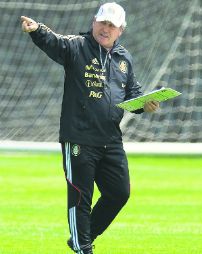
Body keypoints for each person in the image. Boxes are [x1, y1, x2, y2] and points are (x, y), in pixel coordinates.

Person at [20, 2, 160, 253]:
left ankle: (82, 236)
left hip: (111, 140)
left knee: (119, 193)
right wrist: (36, 30)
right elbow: (55, 42)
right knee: (80, 197)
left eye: (111, 25)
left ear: (120, 31)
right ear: (94, 22)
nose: (105, 28)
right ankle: (83, 245)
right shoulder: (76, 46)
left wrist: (144, 105)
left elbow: (133, 95)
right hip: (79, 139)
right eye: (102, 22)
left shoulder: (124, 59)